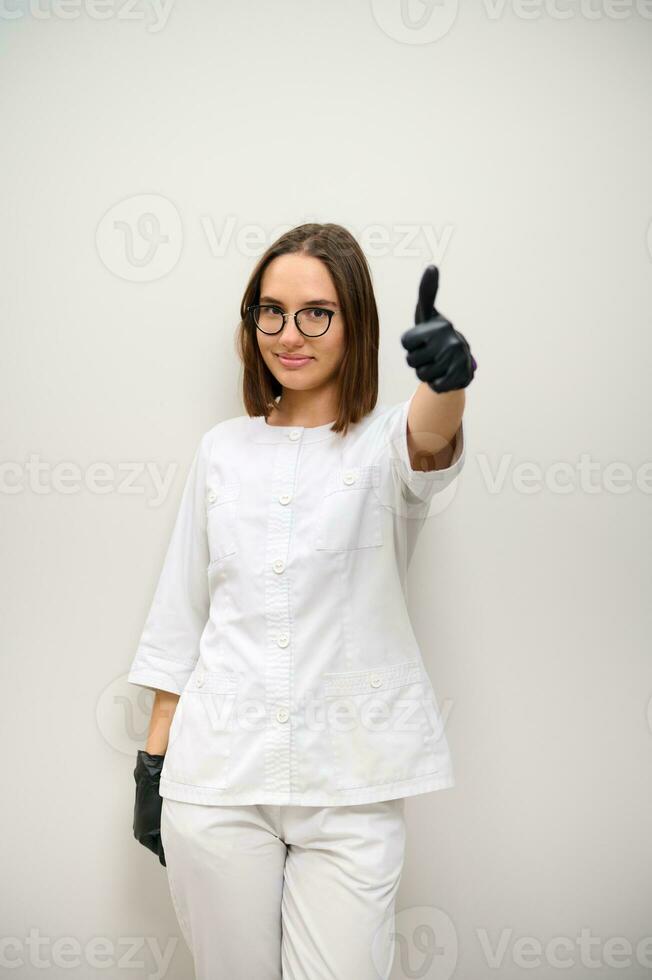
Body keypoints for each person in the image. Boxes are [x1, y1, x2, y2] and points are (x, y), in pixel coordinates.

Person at [128, 222, 476, 980]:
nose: (290, 333)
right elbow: (182, 613)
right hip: (217, 776)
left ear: (356, 322)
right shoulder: (222, 450)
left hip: (350, 783)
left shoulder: (385, 444)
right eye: (271, 311)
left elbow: (431, 443)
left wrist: (446, 381)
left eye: (317, 312)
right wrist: (152, 766)